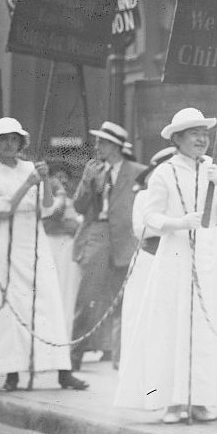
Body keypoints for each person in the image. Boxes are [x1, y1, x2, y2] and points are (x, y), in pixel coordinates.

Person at [114, 108, 217, 423]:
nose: (201, 139)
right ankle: (173, 401)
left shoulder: (214, 170)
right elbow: (150, 216)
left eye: (205, 133)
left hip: (210, 254)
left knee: (206, 323)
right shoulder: (164, 172)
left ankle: (203, 399)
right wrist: (178, 222)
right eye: (194, 133)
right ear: (178, 139)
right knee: (175, 321)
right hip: (176, 254)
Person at [0, 117, 87, 391]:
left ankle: (62, 370)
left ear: (21, 143)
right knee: (12, 308)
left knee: (48, 302)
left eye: (14, 139)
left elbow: (47, 208)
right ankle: (12, 371)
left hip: (35, 243)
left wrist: (43, 180)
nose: (10, 144)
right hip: (5, 245)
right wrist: (28, 183)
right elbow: (4, 209)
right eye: (3, 140)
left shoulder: (30, 168)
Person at [71, 121, 144, 370]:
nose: (98, 146)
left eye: (102, 142)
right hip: (98, 236)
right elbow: (79, 207)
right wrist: (85, 181)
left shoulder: (138, 171)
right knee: (87, 298)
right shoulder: (95, 171)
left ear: (115, 146)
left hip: (127, 239)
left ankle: (121, 360)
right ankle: (73, 357)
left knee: (125, 299)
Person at [119, 147, 177, 373]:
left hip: (172, 260)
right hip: (148, 260)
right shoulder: (144, 196)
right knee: (141, 315)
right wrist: (174, 224)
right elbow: (140, 228)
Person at [42, 161, 82, 335]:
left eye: (65, 178)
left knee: (67, 290)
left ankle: (65, 333)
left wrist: (70, 226)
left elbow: (76, 226)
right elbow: (49, 222)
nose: (62, 181)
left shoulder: (73, 202)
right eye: (58, 177)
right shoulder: (46, 201)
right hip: (49, 245)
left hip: (68, 248)